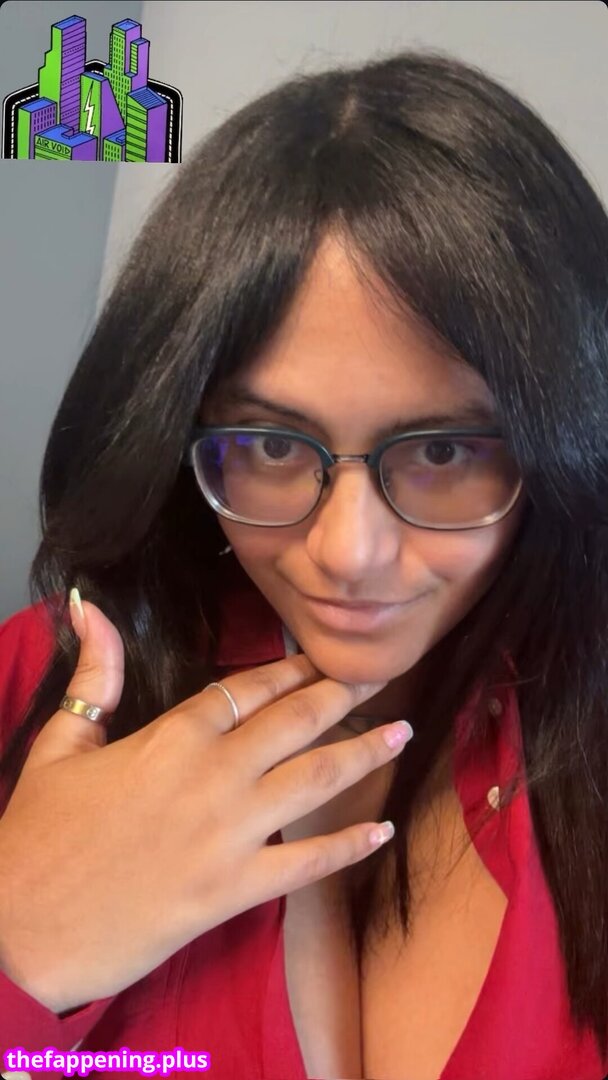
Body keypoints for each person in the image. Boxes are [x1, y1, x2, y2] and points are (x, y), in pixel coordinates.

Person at [0, 46, 606, 1080]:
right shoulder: (29, 685)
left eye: (444, 452)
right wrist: (23, 958)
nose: (348, 552)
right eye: (272, 446)